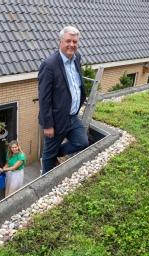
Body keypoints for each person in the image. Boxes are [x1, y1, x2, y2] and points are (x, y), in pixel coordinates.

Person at [38, 25, 89, 174]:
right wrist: (48, 125)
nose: (72, 45)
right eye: (68, 41)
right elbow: (44, 98)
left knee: (82, 142)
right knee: (48, 155)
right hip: (55, 120)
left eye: (75, 41)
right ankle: (44, 183)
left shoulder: (77, 58)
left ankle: (56, 154)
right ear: (60, 42)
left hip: (72, 117)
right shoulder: (49, 65)